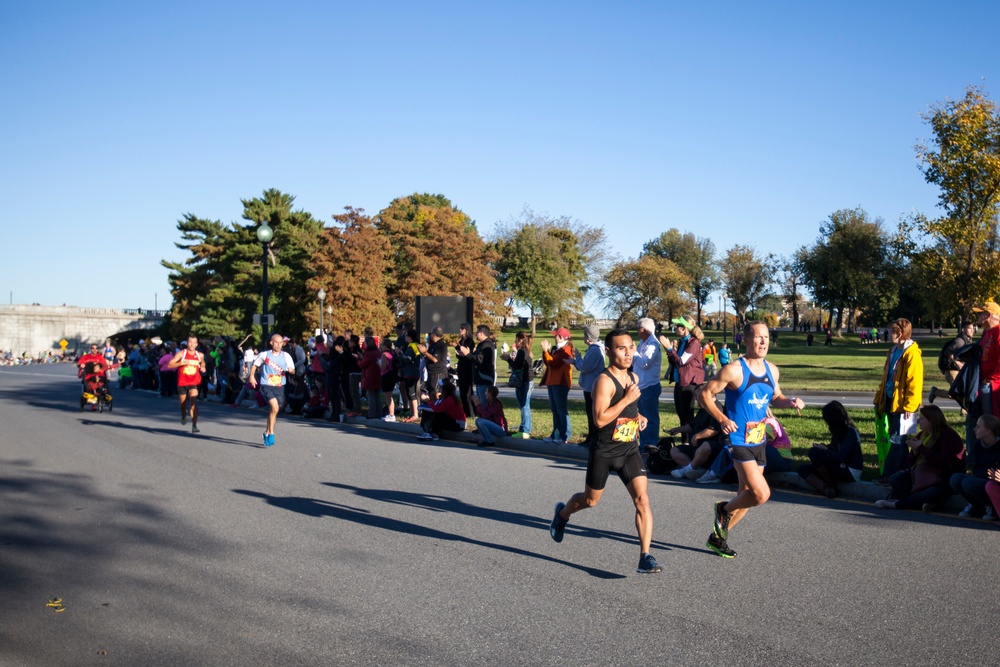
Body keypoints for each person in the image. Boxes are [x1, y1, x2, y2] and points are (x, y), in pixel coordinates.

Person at [549, 328, 662, 575]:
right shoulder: (603, 381)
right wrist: (625, 400)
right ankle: (563, 514)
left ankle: (645, 556)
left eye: (631, 347)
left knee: (642, 500)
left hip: (629, 449)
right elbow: (599, 420)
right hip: (605, 450)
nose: (629, 352)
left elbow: (627, 408)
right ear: (609, 352)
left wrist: (638, 416)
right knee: (590, 500)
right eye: (622, 348)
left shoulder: (633, 377)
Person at [697, 321, 805, 558]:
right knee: (761, 494)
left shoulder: (772, 370)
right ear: (745, 340)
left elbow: (775, 397)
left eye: (766, 337)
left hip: (759, 440)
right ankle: (723, 509)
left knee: (746, 494)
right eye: (757, 337)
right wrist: (721, 418)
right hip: (738, 441)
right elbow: (704, 394)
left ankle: (717, 538)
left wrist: (790, 401)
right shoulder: (734, 370)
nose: (763, 341)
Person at [874, 404, 965, 512]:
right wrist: (915, 453)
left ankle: (897, 504)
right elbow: (910, 463)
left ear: (931, 421)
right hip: (922, 475)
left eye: (922, 419)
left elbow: (943, 462)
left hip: (943, 477)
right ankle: (927, 503)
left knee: (930, 493)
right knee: (896, 479)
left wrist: (921, 449)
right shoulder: (923, 434)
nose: (918, 421)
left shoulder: (948, 436)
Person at [873, 318, 924, 479]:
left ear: (900, 333)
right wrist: (878, 399)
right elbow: (885, 379)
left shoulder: (912, 353)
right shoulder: (892, 351)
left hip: (904, 405)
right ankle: (904, 473)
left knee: (896, 440)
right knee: (899, 441)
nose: (887, 335)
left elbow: (914, 382)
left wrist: (910, 406)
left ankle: (887, 476)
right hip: (889, 400)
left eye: (890, 332)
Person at [797, 401, 864, 498]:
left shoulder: (850, 432)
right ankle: (825, 488)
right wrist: (825, 447)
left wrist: (825, 450)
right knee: (802, 469)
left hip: (850, 469)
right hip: (839, 466)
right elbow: (834, 449)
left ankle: (830, 485)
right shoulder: (838, 431)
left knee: (814, 453)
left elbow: (840, 456)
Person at [248, 333, 296, 447]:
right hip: (266, 385)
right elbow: (255, 365)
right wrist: (251, 376)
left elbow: (293, 370)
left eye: (281, 343)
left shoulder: (286, 356)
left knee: (274, 410)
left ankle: (267, 431)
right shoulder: (264, 355)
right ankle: (271, 434)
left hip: (279, 386)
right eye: (276, 343)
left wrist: (290, 370)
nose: (279, 345)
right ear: (271, 343)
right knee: (274, 407)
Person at [950, 414, 1000, 520]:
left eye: (978, 426)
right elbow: (975, 465)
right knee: (955, 478)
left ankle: (991, 507)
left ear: (988, 431)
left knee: (968, 483)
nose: (974, 429)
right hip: (981, 477)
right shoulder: (978, 444)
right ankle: (975, 505)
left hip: (994, 482)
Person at [659, 316, 705, 431]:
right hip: (680, 382)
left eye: (678, 326)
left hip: (688, 383)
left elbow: (682, 361)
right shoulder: (683, 342)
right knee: (681, 415)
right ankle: (684, 443)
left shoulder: (693, 343)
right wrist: (670, 350)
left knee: (687, 416)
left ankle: (690, 443)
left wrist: (670, 349)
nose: (675, 328)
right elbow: (675, 361)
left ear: (684, 328)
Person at [540, 327, 575, 444]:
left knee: (561, 409)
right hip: (552, 382)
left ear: (561, 337)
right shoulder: (557, 349)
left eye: (556, 335)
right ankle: (556, 433)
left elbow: (554, 364)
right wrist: (547, 352)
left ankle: (565, 435)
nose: (554, 337)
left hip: (560, 383)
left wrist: (546, 351)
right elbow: (548, 363)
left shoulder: (566, 350)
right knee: (555, 409)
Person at [572, 325, 605, 446]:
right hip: (590, 385)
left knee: (593, 414)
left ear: (589, 337)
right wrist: (575, 361)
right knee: (590, 413)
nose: (583, 337)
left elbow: (585, 367)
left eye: (585, 335)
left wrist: (577, 358)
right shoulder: (594, 349)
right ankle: (591, 438)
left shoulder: (595, 350)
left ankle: (594, 440)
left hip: (592, 387)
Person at [928, 321, 974, 408]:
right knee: (957, 394)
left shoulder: (967, 340)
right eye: (969, 329)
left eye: (973, 329)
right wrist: (957, 363)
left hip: (959, 371)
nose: (972, 331)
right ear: (963, 330)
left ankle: (964, 411)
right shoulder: (960, 341)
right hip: (952, 370)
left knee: (962, 392)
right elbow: (948, 351)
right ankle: (935, 392)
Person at [633, 318, 662, 454]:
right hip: (641, 386)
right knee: (641, 416)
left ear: (645, 329)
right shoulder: (642, 343)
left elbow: (645, 363)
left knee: (650, 417)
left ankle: (651, 443)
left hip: (650, 386)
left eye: (638, 328)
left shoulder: (653, 345)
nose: (637, 331)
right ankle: (643, 443)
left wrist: (634, 352)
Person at [167, 335, 206, 434]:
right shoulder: (181, 354)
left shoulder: (200, 355)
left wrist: (202, 367)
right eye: (190, 342)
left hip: (194, 382)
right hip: (182, 382)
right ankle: (184, 415)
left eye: (194, 342)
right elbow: (169, 364)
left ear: (197, 344)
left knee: (193, 403)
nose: (192, 344)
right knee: (183, 405)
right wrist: (181, 363)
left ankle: (194, 425)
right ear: (187, 343)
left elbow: (203, 362)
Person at [502, 331, 534, 437]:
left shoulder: (521, 351)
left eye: (516, 339)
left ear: (520, 340)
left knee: (524, 405)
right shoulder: (527, 350)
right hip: (528, 380)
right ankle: (524, 428)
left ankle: (525, 430)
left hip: (524, 381)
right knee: (525, 405)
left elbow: (516, 366)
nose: (515, 342)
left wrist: (507, 359)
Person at [417, 327, 449, 401]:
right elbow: (429, 356)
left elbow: (435, 359)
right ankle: (433, 410)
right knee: (431, 392)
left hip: (438, 373)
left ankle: (438, 410)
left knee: (436, 393)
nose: (430, 335)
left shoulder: (440, 345)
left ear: (434, 334)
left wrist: (425, 352)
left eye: (431, 334)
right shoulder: (434, 345)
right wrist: (424, 353)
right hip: (431, 373)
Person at [468, 325, 497, 405]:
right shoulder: (481, 344)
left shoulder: (487, 344)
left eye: (477, 332)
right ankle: (482, 416)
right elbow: (475, 356)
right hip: (479, 378)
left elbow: (480, 359)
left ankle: (485, 417)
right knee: (480, 403)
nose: (475, 334)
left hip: (484, 377)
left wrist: (467, 354)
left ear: (481, 333)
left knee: (484, 403)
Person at [454, 323, 476, 418]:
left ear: (466, 329)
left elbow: (469, 354)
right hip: (461, 366)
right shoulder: (461, 341)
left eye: (462, 328)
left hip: (468, 367)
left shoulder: (470, 341)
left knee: (468, 392)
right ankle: (465, 411)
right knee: (462, 391)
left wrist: (461, 352)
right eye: (460, 328)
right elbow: (460, 354)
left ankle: (471, 412)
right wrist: (458, 351)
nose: (460, 330)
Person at [359, 336, 383, 420]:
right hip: (377, 375)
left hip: (370, 376)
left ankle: (372, 413)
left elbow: (363, 364)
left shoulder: (368, 353)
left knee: (371, 396)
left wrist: (359, 360)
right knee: (377, 396)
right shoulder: (378, 351)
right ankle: (379, 413)